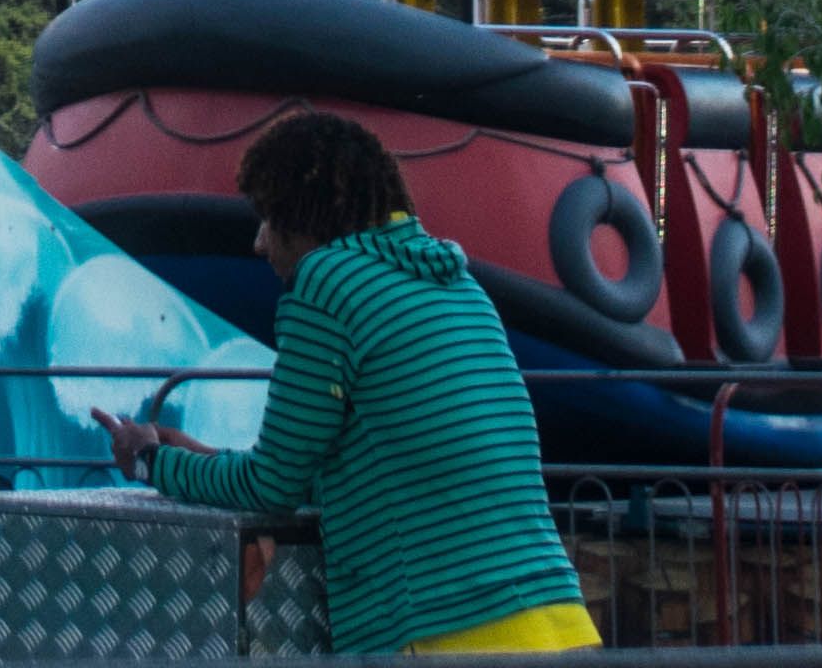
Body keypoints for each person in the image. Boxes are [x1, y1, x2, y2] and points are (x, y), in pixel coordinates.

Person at [94, 110, 588, 657]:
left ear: (302, 216)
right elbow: (373, 470)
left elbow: (271, 488)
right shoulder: (458, 286)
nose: (259, 244)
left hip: (440, 630)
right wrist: (204, 457)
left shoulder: (325, 284)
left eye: (267, 219)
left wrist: (151, 462)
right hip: (558, 622)